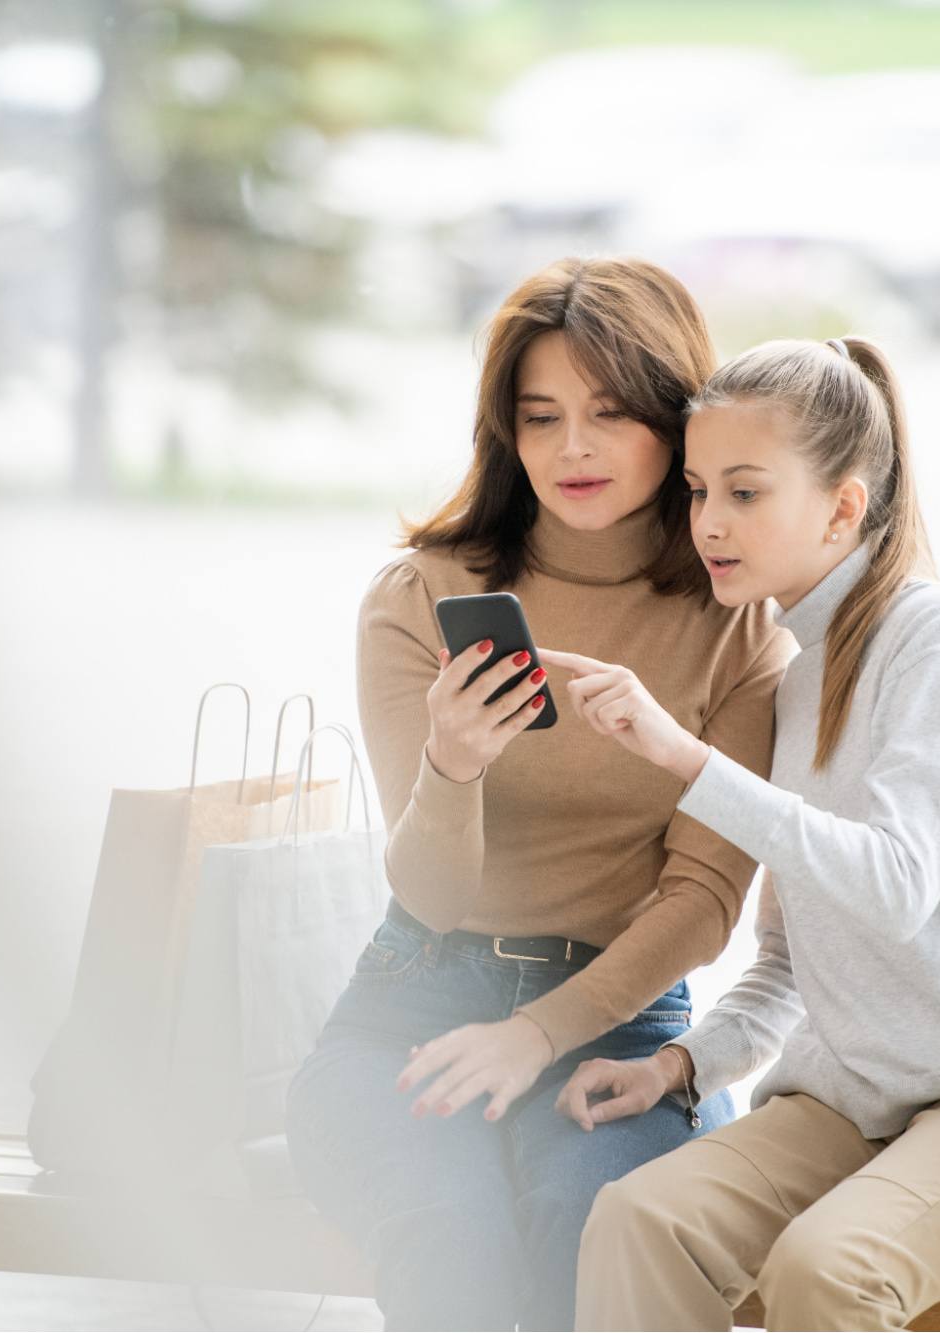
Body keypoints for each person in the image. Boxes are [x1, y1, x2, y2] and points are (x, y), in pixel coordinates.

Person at [545, 335, 940, 1331]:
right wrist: (681, 1064)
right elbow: (791, 957)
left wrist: (686, 758)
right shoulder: (797, 675)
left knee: (825, 1270)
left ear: (843, 506)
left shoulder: (938, 642)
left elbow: (894, 884)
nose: (708, 522)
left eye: (744, 492)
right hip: (861, 1101)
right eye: (695, 490)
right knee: (637, 1218)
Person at [284, 257, 794, 1331]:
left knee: (593, 1228)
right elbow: (424, 888)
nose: (572, 448)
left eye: (611, 413)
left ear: (674, 419)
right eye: (540, 415)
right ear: (502, 430)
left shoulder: (738, 624)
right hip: (416, 1000)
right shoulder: (422, 593)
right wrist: (452, 767)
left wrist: (538, 1033)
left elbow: (704, 903)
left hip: (619, 1022)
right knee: (448, 1237)